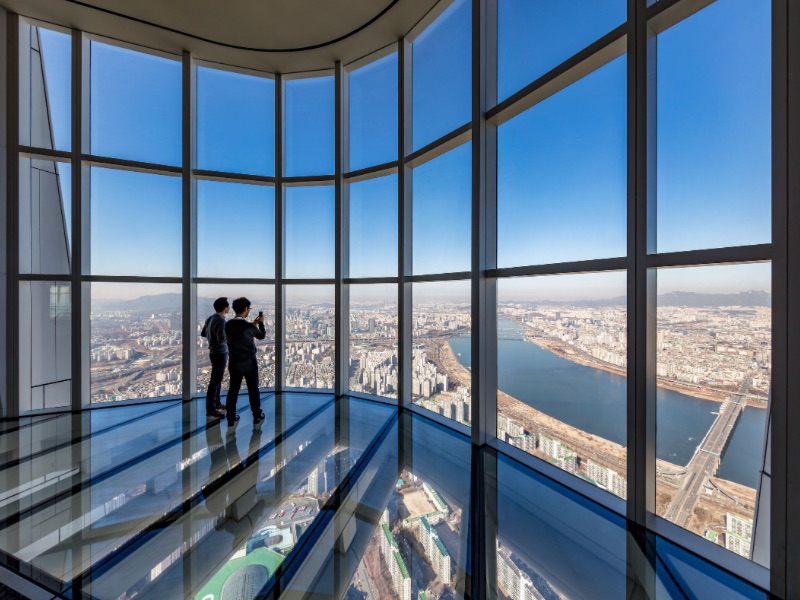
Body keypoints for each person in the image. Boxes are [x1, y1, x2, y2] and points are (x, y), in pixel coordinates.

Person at [224, 297, 266, 432]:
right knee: (253, 389)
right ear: (246, 309)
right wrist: (260, 324)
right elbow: (261, 336)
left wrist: (252, 324)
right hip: (249, 362)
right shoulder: (249, 327)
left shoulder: (228, 325)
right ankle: (257, 415)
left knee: (233, 390)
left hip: (234, 362)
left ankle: (231, 418)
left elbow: (240, 333)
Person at [201, 297, 229, 419]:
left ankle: (216, 404)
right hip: (220, 353)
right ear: (225, 308)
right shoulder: (222, 321)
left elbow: (203, 333)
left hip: (212, 351)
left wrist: (211, 336)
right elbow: (221, 339)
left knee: (217, 379)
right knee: (215, 381)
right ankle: (211, 409)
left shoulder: (210, 318)